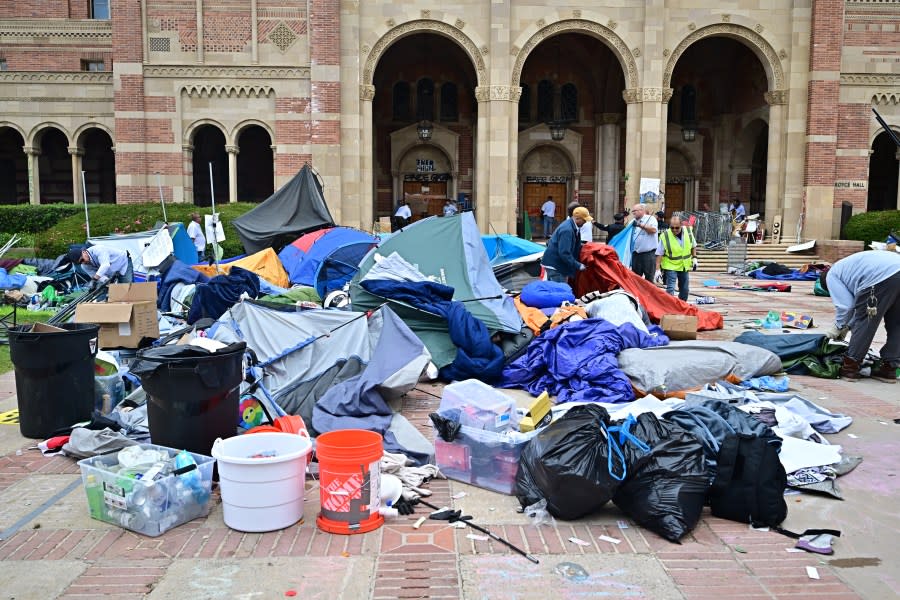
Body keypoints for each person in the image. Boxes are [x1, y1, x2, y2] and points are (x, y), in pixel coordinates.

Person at [821, 251, 900, 383]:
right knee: (897, 323)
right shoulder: (846, 267)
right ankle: (889, 369)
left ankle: (850, 367)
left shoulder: (831, 276)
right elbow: (853, 305)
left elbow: (845, 306)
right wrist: (847, 325)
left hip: (879, 277)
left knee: (866, 321)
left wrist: (839, 326)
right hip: (893, 267)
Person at [541, 206, 593, 283]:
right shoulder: (567, 230)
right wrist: (578, 265)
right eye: (584, 220)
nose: (585, 222)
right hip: (556, 266)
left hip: (556, 264)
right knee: (560, 292)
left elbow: (572, 244)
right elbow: (564, 253)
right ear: (577, 218)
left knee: (555, 291)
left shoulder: (572, 226)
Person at [654, 215, 697, 301]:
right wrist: (657, 270)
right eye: (672, 227)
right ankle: (670, 306)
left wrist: (694, 258)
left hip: (684, 265)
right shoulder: (665, 236)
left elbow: (693, 245)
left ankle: (682, 305)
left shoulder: (688, 232)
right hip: (670, 265)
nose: (674, 230)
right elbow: (659, 253)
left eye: (677, 228)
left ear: (681, 225)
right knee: (670, 288)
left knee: (684, 289)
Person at [67, 244, 133, 286]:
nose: (83, 263)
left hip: (123, 263)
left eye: (82, 260)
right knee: (107, 288)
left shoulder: (98, 249)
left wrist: (94, 279)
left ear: (84, 252)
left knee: (128, 287)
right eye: (80, 263)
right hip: (110, 271)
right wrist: (106, 281)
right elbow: (97, 276)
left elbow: (105, 265)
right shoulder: (83, 266)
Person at [629, 203, 658, 282]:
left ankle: (649, 294)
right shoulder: (632, 221)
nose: (633, 213)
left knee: (649, 279)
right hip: (636, 254)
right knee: (636, 279)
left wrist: (639, 225)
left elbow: (653, 230)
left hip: (648, 254)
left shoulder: (651, 219)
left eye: (635, 211)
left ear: (642, 211)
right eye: (632, 211)